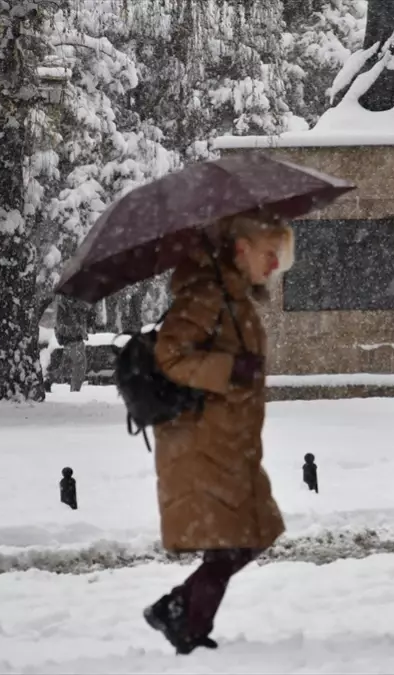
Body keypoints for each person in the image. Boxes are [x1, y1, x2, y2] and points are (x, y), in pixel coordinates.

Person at [142, 214, 294, 655]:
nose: (275, 265)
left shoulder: (234, 297)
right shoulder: (206, 296)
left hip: (228, 443)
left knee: (251, 533)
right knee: (239, 538)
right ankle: (182, 617)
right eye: (270, 253)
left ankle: (182, 615)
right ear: (241, 248)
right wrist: (229, 369)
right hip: (203, 445)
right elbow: (169, 356)